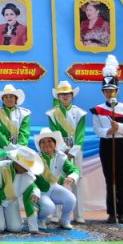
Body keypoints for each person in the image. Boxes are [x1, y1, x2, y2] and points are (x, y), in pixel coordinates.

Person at [90, 55, 123, 224]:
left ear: (117, 91)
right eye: (106, 91)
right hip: (106, 144)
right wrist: (108, 130)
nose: (109, 93)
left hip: (121, 144)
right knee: (110, 179)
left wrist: (119, 128)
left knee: (121, 178)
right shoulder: (98, 109)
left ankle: (122, 212)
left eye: (112, 90)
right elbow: (96, 129)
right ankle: (111, 213)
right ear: (103, 92)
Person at [46, 80, 87, 223]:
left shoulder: (80, 113)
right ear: (58, 96)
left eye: (67, 94)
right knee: (56, 179)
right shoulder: (52, 114)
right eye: (62, 94)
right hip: (59, 150)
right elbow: (54, 133)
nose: (65, 97)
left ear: (72, 95)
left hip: (76, 150)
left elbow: (81, 134)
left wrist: (73, 150)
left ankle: (79, 214)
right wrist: (63, 148)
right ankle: (57, 214)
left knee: (77, 180)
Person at [0, 145, 43, 234]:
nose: (26, 170)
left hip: (11, 201)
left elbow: (29, 201)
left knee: (15, 228)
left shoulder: (27, 175)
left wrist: (33, 228)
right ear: (16, 162)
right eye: (24, 167)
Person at [33, 128, 79, 230]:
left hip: (54, 188)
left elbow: (73, 169)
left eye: (49, 141)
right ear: (39, 145)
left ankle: (65, 220)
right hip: (40, 191)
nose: (47, 144)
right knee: (49, 207)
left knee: (71, 199)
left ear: (55, 143)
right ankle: (40, 220)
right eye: (43, 142)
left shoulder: (61, 156)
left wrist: (71, 177)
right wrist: (34, 190)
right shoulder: (35, 158)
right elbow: (30, 178)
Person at [0, 84, 31, 150]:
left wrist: (20, 147)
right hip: (3, 149)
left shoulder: (24, 114)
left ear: (16, 99)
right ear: (2, 99)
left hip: (21, 150)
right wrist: (8, 146)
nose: (8, 99)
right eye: (6, 97)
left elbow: (24, 132)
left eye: (11, 97)